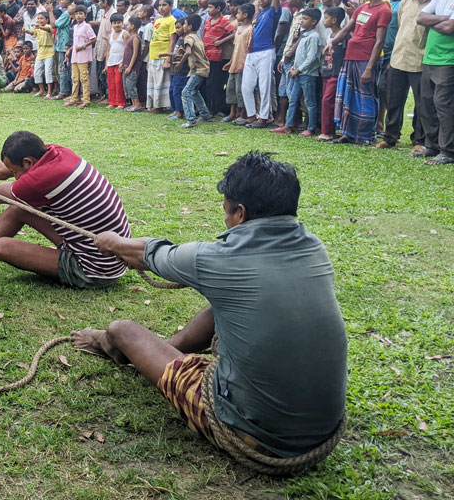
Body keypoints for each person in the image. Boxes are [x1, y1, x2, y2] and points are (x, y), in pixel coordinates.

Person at [72, 151, 346, 470]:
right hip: (321, 432)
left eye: (227, 210)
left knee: (123, 329)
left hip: (255, 435)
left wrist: (112, 243)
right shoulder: (315, 248)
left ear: (240, 213)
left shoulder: (216, 260)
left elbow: (147, 253)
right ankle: (162, 354)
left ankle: (114, 345)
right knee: (222, 307)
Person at [0, 131, 132, 289]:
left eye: (16, 172)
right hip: (111, 254)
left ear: (27, 162)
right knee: (20, 209)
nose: (14, 176)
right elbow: (1, 169)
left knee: (2, 247)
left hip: (96, 269)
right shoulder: (56, 153)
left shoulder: (39, 179)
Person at [375, 0, 439, 150]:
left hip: (420, 60)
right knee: (393, 100)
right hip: (398, 58)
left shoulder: (436, 2)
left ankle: (419, 140)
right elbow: (402, 25)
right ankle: (390, 137)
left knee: (422, 105)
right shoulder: (406, 0)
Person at [329, 0, 390, 145]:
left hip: (366, 59)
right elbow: (347, 29)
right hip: (351, 56)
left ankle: (364, 136)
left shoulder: (383, 10)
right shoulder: (362, 7)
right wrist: (331, 43)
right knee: (348, 95)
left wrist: (370, 67)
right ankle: (348, 133)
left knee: (365, 96)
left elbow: (379, 42)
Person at [416, 0, 454, 164]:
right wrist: (443, 19)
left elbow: (450, 29)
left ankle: (447, 151)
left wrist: (435, 21)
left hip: (449, 61)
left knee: (444, 105)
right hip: (430, 57)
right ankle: (432, 146)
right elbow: (421, 18)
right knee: (427, 103)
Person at [272, 9, 322, 136]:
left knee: (310, 102)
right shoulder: (304, 35)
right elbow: (300, 55)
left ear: (314, 21)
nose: (302, 21)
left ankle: (311, 128)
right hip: (298, 73)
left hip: (308, 74)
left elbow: (311, 58)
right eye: (302, 18)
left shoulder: (314, 37)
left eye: (305, 19)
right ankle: (288, 125)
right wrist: (294, 66)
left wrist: (298, 69)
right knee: (293, 100)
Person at [240, 0, 282, 128]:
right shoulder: (257, 14)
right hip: (251, 52)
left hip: (266, 51)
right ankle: (251, 115)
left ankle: (263, 118)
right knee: (246, 86)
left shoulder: (273, 11)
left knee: (264, 86)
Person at [176, 14, 212, 128]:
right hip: (203, 68)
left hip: (198, 69)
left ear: (189, 26)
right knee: (194, 91)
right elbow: (190, 51)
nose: (183, 26)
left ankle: (191, 120)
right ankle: (205, 115)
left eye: (185, 24)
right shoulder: (197, 36)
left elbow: (188, 52)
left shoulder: (189, 37)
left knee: (185, 92)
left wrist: (180, 64)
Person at [201, 0, 234, 118]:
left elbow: (234, 33)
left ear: (218, 8)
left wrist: (221, 42)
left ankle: (213, 109)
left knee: (213, 83)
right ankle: (205, 107)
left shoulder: (223, 21)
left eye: (210, 7)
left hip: (215, 56)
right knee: (204, 82)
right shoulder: (209, 20)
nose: (208, 10)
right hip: (205, 54)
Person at [318, 7, 347, 142]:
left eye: (326, 18)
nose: (324, 21)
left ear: (334, 20)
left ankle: (328, 131)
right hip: (327, 71)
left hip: (336, 72)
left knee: (328, 101)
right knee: (325, 100)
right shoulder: (329, 35)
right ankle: (328, 130)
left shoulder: (342, 35)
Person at [225, 3, 254, 125]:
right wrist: (230, 62)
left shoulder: (250, 30)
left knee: (240, 91)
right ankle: (233, 113)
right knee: (231, 89)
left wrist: (243, 65)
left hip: (242, 65)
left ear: (245, 15)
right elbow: (235, 47)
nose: (236, 15)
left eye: (238, 13)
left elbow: (248, 49)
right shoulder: (239, 29)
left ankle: (242, 114)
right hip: (234, 64)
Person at [147, 0, 176, 111]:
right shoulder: (157, 20)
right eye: (159, 5)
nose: (161, 8)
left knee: (161, 82)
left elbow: (172, 40)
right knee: (153, 81)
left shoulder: (172, 20)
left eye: (164, 5)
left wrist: (168, 59)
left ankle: (161, 106)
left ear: (170, 6)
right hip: (153, 54)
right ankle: (154, 104)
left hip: (163, 55)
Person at [65, 6, 96, 108]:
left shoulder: (87, 26)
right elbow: (75, 42)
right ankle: (74, 99)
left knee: (84, 78)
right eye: (77, 14)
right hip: (75, 55)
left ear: (85, 15)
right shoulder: (75, 27)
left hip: (83, 56)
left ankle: (86, 100)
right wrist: (70, 50)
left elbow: (93, 39)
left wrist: (83, 46)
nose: (78, 16)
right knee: (74, 78)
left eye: (81, 14)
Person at [32, 12, 56, 99]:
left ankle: (49, 92)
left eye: (42, 18)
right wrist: (25, 30)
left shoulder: (49, 26)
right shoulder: (37, 28)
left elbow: (49, 30)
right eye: (38, 19)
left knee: (48, 72)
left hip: (49, 51)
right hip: (40, 52)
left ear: (47, 20)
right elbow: (32, 32)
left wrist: (40, 27)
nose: (39, 20)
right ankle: (41, 90)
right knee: (37, 72)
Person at [122, 16, 143, 112]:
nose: (127, 26)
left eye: (129, 24)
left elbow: (135, 54)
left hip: (133, 67)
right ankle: (133, 104)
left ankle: (137, 104)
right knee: (127, 85)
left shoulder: (135, 38)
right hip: (126, 66)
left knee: (131, 85)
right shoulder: (131, 37)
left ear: (133, 26)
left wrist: (130, 67)